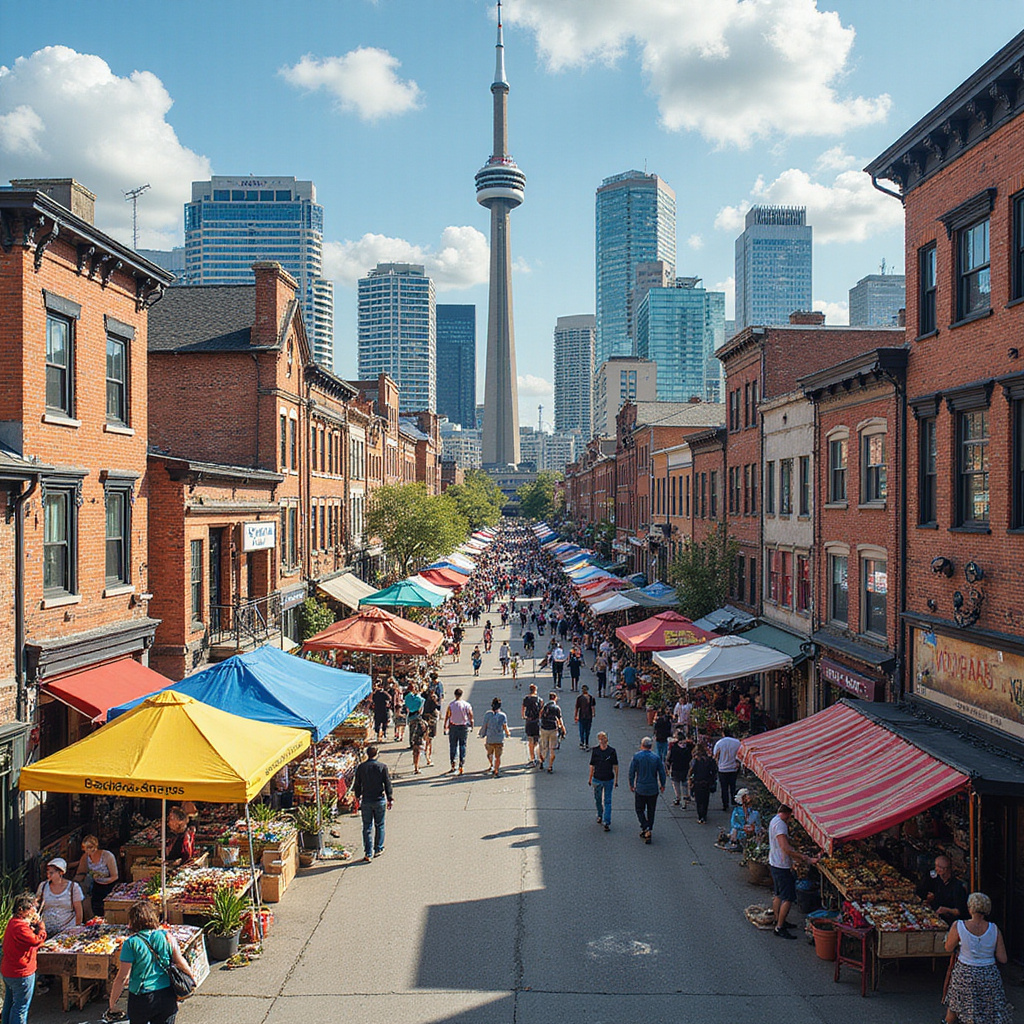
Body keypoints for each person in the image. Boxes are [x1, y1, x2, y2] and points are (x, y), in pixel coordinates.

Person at [108, 901, 194, 1023]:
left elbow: (122, 977)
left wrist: (113, 1002)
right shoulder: (167, 936)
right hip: (167, 994)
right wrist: (191, 979)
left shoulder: (131, 943)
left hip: (142, 998)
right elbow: (180, 962)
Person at [943, 891, 1013, 1024]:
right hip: (988, 974)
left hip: (965, 972)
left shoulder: (959, 926)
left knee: (956, 1004)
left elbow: (948, 947)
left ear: (970, 908)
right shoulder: (994, 929)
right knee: (989, 1010)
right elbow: (1002, 958)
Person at [768, 804, 820, 938]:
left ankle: (778, 920)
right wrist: (805, 858)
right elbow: (785, 848)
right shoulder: (781, 825)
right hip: (781, 865)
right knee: (788, 897)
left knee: (778, 894)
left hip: (774, 862)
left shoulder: (774, 820)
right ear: (787, 813)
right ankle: (779, 927)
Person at [1, 892, 46, 1024]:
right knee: (20, 1008)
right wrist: (41, 927)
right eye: (32, 908)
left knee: (9, 1004)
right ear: (21, 910)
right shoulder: (20, 926)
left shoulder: (13, 923)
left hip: (9, 971)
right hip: (20, 973)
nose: (34, 910)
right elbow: (36, 940)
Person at [353, 745, 393, 861]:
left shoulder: (361, 767)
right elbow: (387, 783)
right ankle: (378, 848)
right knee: (379, 824)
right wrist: (390, 798)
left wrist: (357, 797)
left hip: (366, 800)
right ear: (377, 754)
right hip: (379, 799)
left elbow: (357, 784)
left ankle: (368, 853)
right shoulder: (382, 767)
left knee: (367, 827)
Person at [628, 737, 666, 843]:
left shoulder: (637, 757)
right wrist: (662, 784)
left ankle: (645, 827)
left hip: (641, 787)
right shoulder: (656, 757)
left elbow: (632, 772)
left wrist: (631, 783)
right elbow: (662, 772)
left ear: (642, 745)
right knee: (651, 809)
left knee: (639, 809)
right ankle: (649, 827)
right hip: (653, 788)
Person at [917, 854, 970, 926]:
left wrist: (946, 910)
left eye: (938, 867)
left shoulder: (957, 886)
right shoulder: (937, 880)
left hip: (952, 923)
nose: (935, 869)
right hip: (936, 918)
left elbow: (959, 911)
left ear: (945, 870)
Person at [74, 834, 119, 919]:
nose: (87, 851)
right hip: (95, 885)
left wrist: (104, 880)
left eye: (89, 848)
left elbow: (115, 876)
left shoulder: (107, 856)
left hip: (109, 885)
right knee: (96, 907)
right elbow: (81, 871)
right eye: (85, 848)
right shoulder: (85, 857)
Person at [36, 858, 83, 937]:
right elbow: (37, 904)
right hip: (46, 931)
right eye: (47, 872)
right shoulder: (43, 886)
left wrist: (76, 929)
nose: (48, 875)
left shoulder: (73, 887)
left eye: (51, 873)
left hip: (67, 931)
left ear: (61, 872)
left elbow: (79, 911)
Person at [588, 732, 619, 831]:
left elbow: (615, 766)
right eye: (600, 738)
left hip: (608, 778)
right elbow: (592, 765)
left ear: (606, 740)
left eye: (603, 738)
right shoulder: (595, 751)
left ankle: (606, 821)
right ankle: (600, 814)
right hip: (597, 778)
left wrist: (616, 779)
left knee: (607, 800)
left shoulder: (612, 751)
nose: (602, 740)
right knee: (598, 799)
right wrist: (590, 778)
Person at [443, 688, 474, 774]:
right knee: (462, 744)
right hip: (463, 726)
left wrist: (445, 726)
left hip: (453, 726)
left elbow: (447, 716)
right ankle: (461, 764)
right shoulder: (466, 705)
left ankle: (453, 763)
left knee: (453, 745)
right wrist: (472, 725)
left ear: (455, 695)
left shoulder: (451, 705)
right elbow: (471, 716)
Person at [480, 697, 511, 776]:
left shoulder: (488, 714)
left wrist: (482, 734)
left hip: (490, 737)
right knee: (498, 756)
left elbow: (485, 725)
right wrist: (507, 733)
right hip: (499, 738)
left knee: (489, 754)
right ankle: (496, 769)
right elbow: (505, 726)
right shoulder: (503, 715)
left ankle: (492, 765)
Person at [713, 727, 742, 811]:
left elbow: (715, 756)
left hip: (722, 769)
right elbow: (740, 754)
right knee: (733, 786)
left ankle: (725, 804)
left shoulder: (719, 743)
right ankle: (733, 800)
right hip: (733, 768)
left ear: (723, 733)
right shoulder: (737, 742)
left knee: (724, 788)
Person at [687, 743, 716, 824]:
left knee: (699, 800)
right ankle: (704, 815)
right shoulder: (709, 760)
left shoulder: (695, 761)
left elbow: (691, 771)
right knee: (705, 799)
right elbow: (714, 771)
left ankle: (700, 816)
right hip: (707, 782)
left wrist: (690, 780)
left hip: (697, 782)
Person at [538, 692, 565, 773]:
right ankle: (550, 766)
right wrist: (563, 728)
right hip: (553, 729)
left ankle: (541, 760)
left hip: (544, 728)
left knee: (543, 746)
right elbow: (560, 719)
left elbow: (540, 715)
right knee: (552, 748)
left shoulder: (545, 706)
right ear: (555, 698)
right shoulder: (557, 708)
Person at [667, 733, 693, 807]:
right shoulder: (689, 747)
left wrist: (668, 765)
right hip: (685, 768)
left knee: (676, 783)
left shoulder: (674, 747)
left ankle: (677, 797)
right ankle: (685, 798)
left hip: (676, 768)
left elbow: (669, 758)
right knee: (685, 783)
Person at [522, 684, 543, 768]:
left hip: (529, 721)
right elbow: (541, 710)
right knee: (537, 740)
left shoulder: (526, 699)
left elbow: (523, 708)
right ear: (535, 690)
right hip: (536, 721)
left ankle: (532, 759)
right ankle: (539, 758)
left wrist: (523, 716)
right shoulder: (539, 699)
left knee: (530, 740)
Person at [421, 686, 440, 767]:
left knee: (425, 739)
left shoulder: (423, 698)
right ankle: (428, 758)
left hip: (424, 720)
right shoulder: (432, 700)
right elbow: (437, 706)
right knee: (429, 740)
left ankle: (427, 757)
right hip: (431, 721)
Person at [574, 685, 596, 750]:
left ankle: (582, 742)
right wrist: (593, 714)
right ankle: (586, 743)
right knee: (587, 730)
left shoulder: (579, 698)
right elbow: (592, 707)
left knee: (582, 730)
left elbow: (577, 708)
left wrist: (575, 716)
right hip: (588, 716)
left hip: (582, 716)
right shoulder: (591, 698)